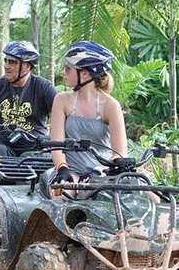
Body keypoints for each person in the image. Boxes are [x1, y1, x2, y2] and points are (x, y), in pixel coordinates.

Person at [50, 41, 126, 188]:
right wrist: (62, 168)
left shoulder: (111, 106)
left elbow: (120, 153)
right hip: (70, 170)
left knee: (152, 198)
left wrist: (99, 171)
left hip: (103, 172)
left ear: (85, 74)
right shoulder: (62, 100)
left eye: (68, 69)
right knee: (61, 194)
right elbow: (56, 145)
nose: (64, 73)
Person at [0, 40, 56, 157]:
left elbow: (61, 120)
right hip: (2, 146)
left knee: (37, 160)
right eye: (6, 61)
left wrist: (53, 144)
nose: (6, 66)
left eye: (12, 62)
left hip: (34, 147)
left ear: (27, 66)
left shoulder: (44, 88)